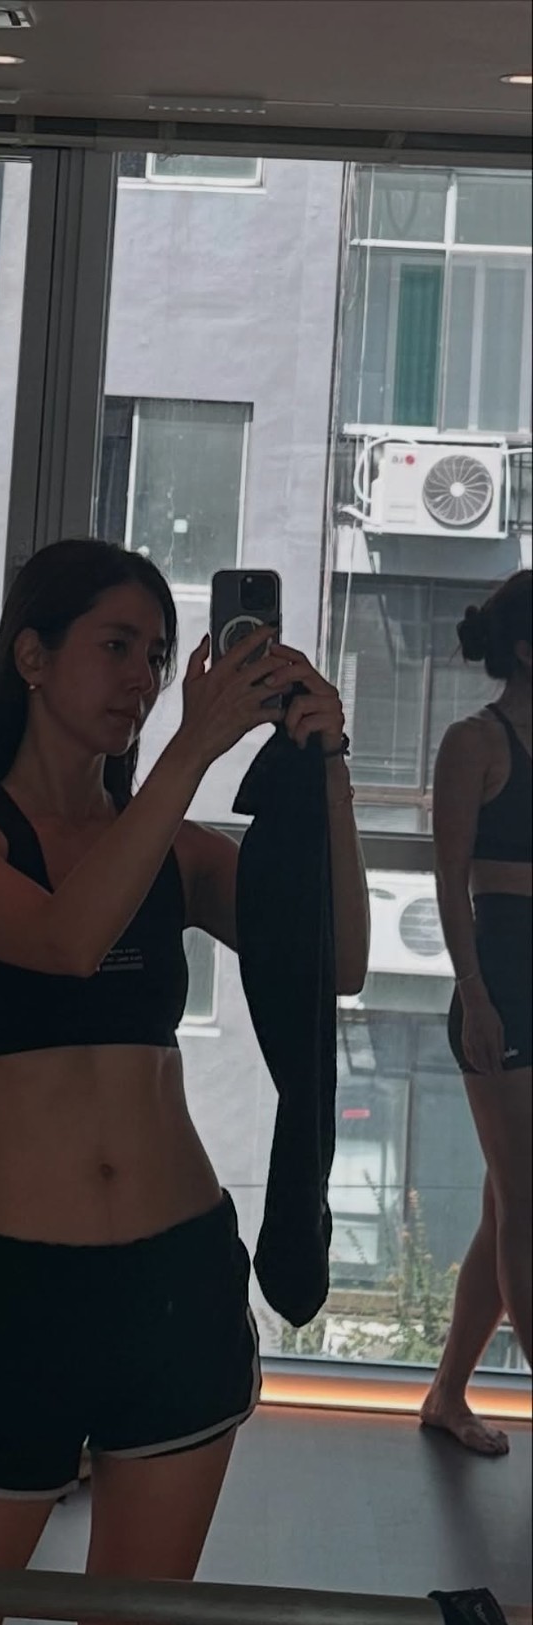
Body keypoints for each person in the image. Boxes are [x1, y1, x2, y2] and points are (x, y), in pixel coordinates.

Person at [0, 540, 369, 1625]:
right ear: (31, 656)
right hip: (29, 1292)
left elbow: (333, 960)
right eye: (115, 646)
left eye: (156, 655)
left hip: (178, 1278)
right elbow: (65, 939)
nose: (142, 679)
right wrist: (192, 748)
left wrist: (328, 763)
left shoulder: (173, 848)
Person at [420, 569, 532, 1458]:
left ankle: (446, 1394)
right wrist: (476, 996)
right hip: (503, 984)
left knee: (507, 1206)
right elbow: (450, 881)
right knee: (526, 1204)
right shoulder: (475, 741)